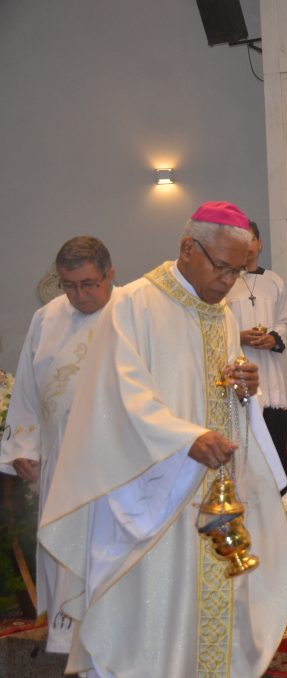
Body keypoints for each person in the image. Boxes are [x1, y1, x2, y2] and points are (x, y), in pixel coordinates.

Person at [38, 202, 287, 678]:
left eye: (238, 271)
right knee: (151, 618)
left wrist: (244, 389)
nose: (228, 281)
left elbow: (220, 394)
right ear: (187, 249)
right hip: (152, 498)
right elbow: (120, 397)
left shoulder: (223, 316)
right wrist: (186, 439)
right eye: (222, 267)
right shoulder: (133, 305)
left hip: (210, 499)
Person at [0, 236, 117, 654]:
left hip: (116, 464)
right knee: (66, 551)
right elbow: (28, 389)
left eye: (88, 284)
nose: (79, 295)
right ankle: (70, 642)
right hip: (60, 460)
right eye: (69, 285)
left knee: (107, 553)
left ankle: (115, 638)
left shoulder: (133, 316)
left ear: (109, 275)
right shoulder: (46, 319)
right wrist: (24, 447)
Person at [226, 220, 287, 481]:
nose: (247, 246)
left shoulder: (274, 281)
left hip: (270, 371)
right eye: (241, 241)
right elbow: (221, 325)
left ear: (260, 243)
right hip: (242, 372)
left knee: (275, 445)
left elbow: (284, 321)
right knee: (248, 449)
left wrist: (273, 338)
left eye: (251, 239)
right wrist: (241, 336)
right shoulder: (227, 283)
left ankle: (284, 508)